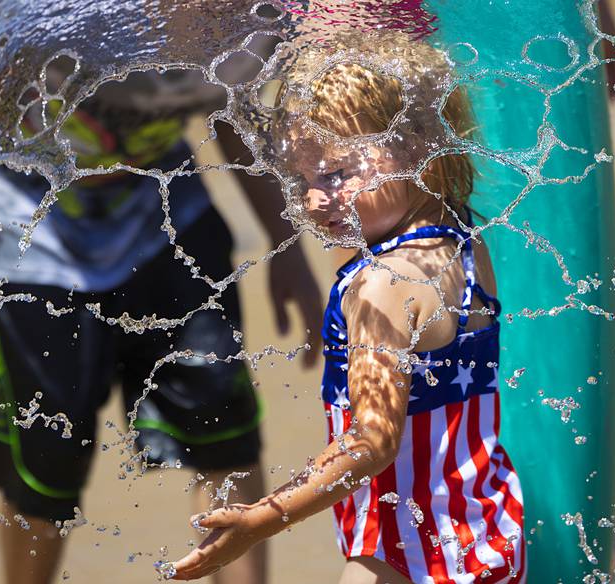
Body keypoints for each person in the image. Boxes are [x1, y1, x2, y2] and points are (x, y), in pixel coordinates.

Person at [170, 35, 525, 583]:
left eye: (335, 175)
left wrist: (265, 517)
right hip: (485, 528)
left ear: (415, 143)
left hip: (405, 555)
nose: (313, 200)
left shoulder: (381, 285)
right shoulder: (461, 237)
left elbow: (374, 441)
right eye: (300, 181)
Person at [0, 59, 322, 584]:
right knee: (44, 463)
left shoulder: (220, 19)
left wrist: (285, 244)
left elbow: (231, 104)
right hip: (25, 235)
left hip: (169, 221)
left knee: (225, 433)